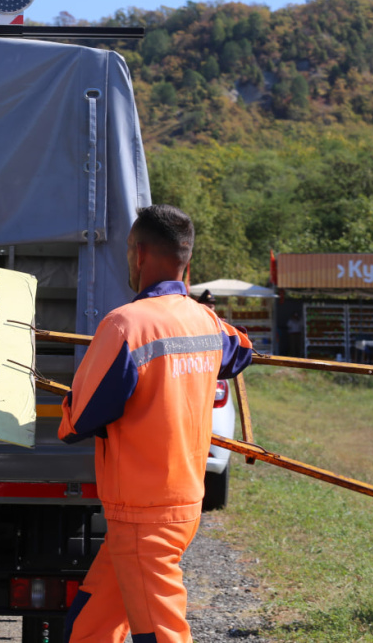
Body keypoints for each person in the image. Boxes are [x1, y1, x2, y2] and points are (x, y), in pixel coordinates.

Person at [58, 204, 254, 643]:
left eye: (128, 251)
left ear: (140, 254)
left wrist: (67, 409)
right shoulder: (205, 321)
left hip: (141, 513)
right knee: (90, 627)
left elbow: (82, 419)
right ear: (185, 258)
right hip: (180, 504)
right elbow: (241, 350)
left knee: (161, 635)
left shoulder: (126, 325)